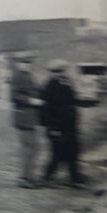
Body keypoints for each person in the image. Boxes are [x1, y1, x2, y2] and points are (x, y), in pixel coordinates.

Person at [39, 60, 93, 190]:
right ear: (52, 73)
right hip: (58, 127)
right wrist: (53, 128)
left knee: (73, 151)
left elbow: (71, 100)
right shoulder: (49, 87)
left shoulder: (66, 83)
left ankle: (74, 178)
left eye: (63, 71)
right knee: (57, 154)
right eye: (58, 72)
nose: (62, 74)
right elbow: (47, 110)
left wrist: (86, 101)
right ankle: (47, 178)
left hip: (69, 125)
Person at [9, 54, 44, 188]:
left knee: (33, 148)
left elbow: (37, 91)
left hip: (31, 118)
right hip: (24, 118)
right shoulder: (17, 76)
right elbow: (13, 96)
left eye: (29, 63)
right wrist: (31, 100)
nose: (27, 65)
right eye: (24, 62)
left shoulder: (29, 76)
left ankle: (29, 176)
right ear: (19, 64)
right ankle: (24, 178)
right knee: (30, 148)